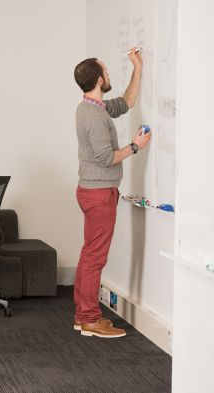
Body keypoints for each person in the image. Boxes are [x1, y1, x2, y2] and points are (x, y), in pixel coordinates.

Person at [73, 48, 151, 338]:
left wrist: (138, 69)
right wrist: (135, 146)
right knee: (95, 258)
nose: (108, 74)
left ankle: (83, 316)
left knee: (89, 255)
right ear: (97, 79)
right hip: (98, 194)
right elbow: (107, 158)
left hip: (94, 191)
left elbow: (127, 102)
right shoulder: (93, 116)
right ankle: (91, 319)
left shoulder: (95, 107)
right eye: (105, 71)